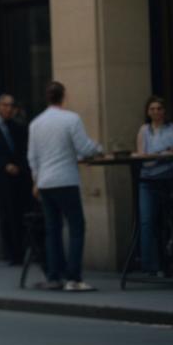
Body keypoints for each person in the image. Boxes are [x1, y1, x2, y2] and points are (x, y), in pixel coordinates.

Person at [27, 81, 102, 291]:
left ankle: (54, 276)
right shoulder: (71, 119)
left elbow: (32, 156)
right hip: (66, 180)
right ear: (64, 96)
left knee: (53, 230)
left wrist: (36, 179)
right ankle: (74, 278)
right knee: (77, 227)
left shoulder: (36, 123)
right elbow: (84, 147)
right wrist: (99, 148)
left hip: (45, 182)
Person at [0, 94, 32, 266]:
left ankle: (23, 250)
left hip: (19, 178)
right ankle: (11, 253)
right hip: (0, 177)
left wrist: (19, 166)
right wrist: (4, 165)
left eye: (11, 105)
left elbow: (25, 150)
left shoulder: (19, 128)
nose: (8, 109)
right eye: (5, 105)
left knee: (20, 214)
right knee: (6, 215)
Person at [132, 96, 173, 275]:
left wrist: (155, 156)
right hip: (148, 181)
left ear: (164, 111)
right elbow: (144, 160)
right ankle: (151, 266)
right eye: (152, 108)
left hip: (170, 180)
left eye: (159, 108)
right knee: (147, 222)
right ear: (148, 112)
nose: (156, 112)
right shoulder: (144, 130)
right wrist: (163, 154)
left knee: (172, 222)